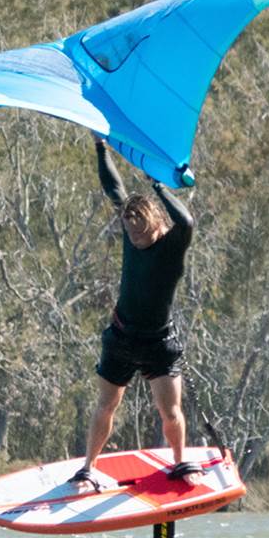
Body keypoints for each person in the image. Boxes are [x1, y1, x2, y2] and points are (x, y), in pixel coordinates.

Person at [72, 138, 202, 487]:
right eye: (128, 230)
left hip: (159, 342)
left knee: (169, 411)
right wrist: (100, 148)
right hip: (121, 337)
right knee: (106, 405)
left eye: (139, 231)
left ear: (155, 224)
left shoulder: (172, 245)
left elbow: (186, 221)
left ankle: (179, 462)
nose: (133, 237)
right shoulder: (131, 230)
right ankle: (88, 467)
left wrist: (157, 185)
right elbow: (114, 186)